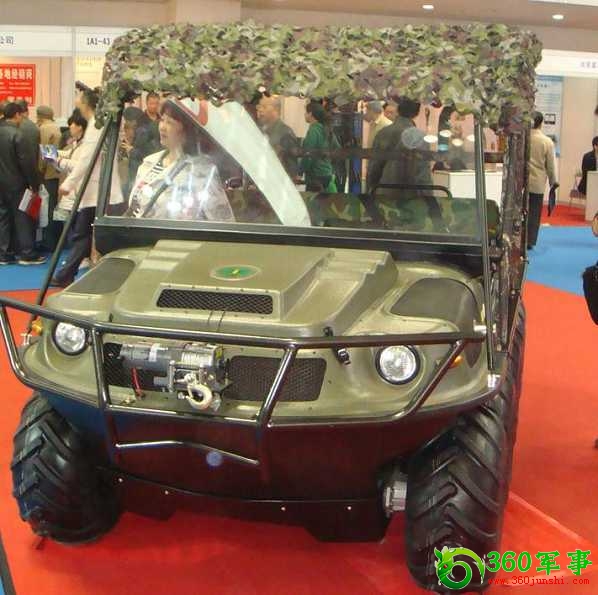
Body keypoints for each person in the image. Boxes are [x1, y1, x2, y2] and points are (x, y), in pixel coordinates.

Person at [51, 87, 123, 287]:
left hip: (98, 190)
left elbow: (87, 160)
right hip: (100, 190)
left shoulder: (96, 126)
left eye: (78, 97)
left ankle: (67, 274)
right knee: (86, 235)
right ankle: (68, 273)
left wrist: (69, 183)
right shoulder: (100, 123)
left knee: (85, 235)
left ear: (85, 102)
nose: (76, 100)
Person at [127, 99, 233, 222]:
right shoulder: (149, 162)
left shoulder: (201, 171)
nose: (162, 127)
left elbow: (223, 222)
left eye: (170, 122)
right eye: (162, 120)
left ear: (186, 129)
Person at [0, 102, 44, 265]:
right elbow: (26, 163)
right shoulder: (18, 135)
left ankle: (4, 253)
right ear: (17, 115)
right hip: (17, 183)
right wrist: (34, 184)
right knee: (23, 217)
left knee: (3, 217)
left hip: (1, 183)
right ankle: (27, 253)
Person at [367, 97, 432, 192]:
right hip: (412, 194)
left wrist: (370, 190)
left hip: (385, 192)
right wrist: (428, 197)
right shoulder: (420, 137)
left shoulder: (383, 133)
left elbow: (374, 168)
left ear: (398, 110)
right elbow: (423, 174)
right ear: (417, 113)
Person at [528, 111, 557, 249]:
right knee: (534, 212)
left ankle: (518, 239)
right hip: (537, 183)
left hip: (521, 182)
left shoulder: (523, 139)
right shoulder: (547, 141)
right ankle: (530, 241)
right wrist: (553, 182)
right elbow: (550, 165)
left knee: (520, 212)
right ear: (541, 123)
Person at [36, 105, 62, 251]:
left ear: (39, 116)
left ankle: (49, 242)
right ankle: (56, 241)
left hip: (49, 174)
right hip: (57, 172)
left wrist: (40, 170)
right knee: (53, 207)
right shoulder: (56, 127)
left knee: (48, 209)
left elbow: (45, 154)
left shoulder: (45, 129)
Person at [299, 101, 340, 193]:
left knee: (313, 201)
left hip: (315, 176)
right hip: (327, 174)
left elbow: (308, 154)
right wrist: (329, 164)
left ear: (310, 114)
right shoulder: (326, 129)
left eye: (306, 112)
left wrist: (300, 173)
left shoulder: (313, 130)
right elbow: (337, 149)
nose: (305, 115)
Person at [256, 94, 299, 177]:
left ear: (276, 109)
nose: (260, 110)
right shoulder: (259, 131)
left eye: (264, 107)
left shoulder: (285, 133)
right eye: (259, 107)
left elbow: (292, 168)